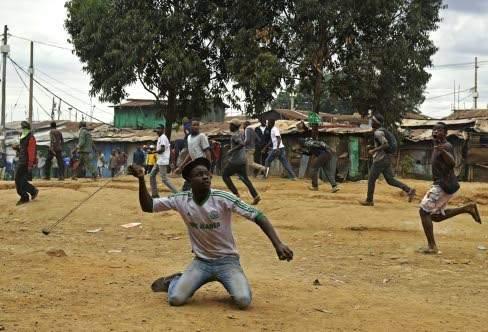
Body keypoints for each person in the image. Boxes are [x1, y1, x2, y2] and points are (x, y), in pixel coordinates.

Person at [128, 157, 293, 309]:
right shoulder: (181, 199)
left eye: (207, 174)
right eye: (199, 175)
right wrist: (142, 179)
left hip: (227, 261)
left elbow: (258, 215)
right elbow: (148, 206)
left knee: (243, 301)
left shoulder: (223, 198)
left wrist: (278, 244)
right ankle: (175, 281)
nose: (205, 177)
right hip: (201, 262)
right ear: (190, 181)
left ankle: (235, 282)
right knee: (176, 299)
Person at [418, 122, 482, 254]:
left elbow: (452, 163)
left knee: (424, 212)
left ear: (446, 133)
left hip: (442, 185)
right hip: (443, 184)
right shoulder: (437, 145)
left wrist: (443, 151)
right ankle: (467, 208)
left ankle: (432, 247)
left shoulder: (445, 146)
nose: (436, 132)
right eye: (434, 129)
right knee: (435, 217)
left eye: (440, 130)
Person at [360, 113, 415, 206]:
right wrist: (374, 146)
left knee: (371, 179)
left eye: (373, 121)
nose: (371, 122)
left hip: (381, 159)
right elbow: (383, 144)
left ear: (377, 123)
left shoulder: (378, 132)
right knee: (390, 180)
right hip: (387, 158)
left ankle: (369, 200)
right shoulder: (383, 131)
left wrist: (373, 150)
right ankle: (409, 190)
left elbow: (386, 145)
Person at [222, 119, 261, 205]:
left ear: (234, 126)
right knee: (245, 179)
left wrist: (231, 150)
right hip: (242, 160)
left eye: (230, 125)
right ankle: (255, 196)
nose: (229, 126)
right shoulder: (242, 133)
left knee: (225, 175)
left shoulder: (235, 135)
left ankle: (236, 194)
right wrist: (231, 146)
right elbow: (240, 143)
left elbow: (241, 144)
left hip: (235, 161)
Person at [300, 123, 339, 192]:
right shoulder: (311, 143)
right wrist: (301, 152)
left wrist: (326, 147)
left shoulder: (308, 142)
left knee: (313, 168)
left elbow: (318, 145)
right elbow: (310, 153)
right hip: (327, 154)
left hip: (324, 154)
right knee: (327, 171)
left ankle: (315, 186)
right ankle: (334, 186)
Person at [175, 121, 212, 191]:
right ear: (190, 127)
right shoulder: (189, 137)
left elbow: (207, 151)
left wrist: (209, 169)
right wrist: (181, 166)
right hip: (194, 163)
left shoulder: (202, 136)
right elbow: (190, 153)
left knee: (197, 184)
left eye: (197, 125)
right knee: (196, 184)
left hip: (202, 163)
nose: (196, 126)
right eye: (194, 125)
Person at [13, 121, 39, 205]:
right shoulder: (22, 137)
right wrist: (17, 148)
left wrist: (30, 164)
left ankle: (25, 197)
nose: (23, 130)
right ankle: (32, 191)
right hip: (22, 161)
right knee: (21, 180)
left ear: (27, 129)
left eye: (24, 128)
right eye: (22, 128)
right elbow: (23, 150)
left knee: (18, 179)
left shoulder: (31, 138)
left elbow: (31, 152)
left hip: (26, 162)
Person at [150, 124, 178, 197]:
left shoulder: (163, 137)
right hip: (159, 160)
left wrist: (153, 152)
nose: (157, 131)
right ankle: (155, 194)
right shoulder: (160, 138)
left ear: (163, 130)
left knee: (164, 179)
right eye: (156, 129)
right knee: (152, 175)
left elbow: (162, 150)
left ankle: (177, 193)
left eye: (159, 129)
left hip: (162, 161)